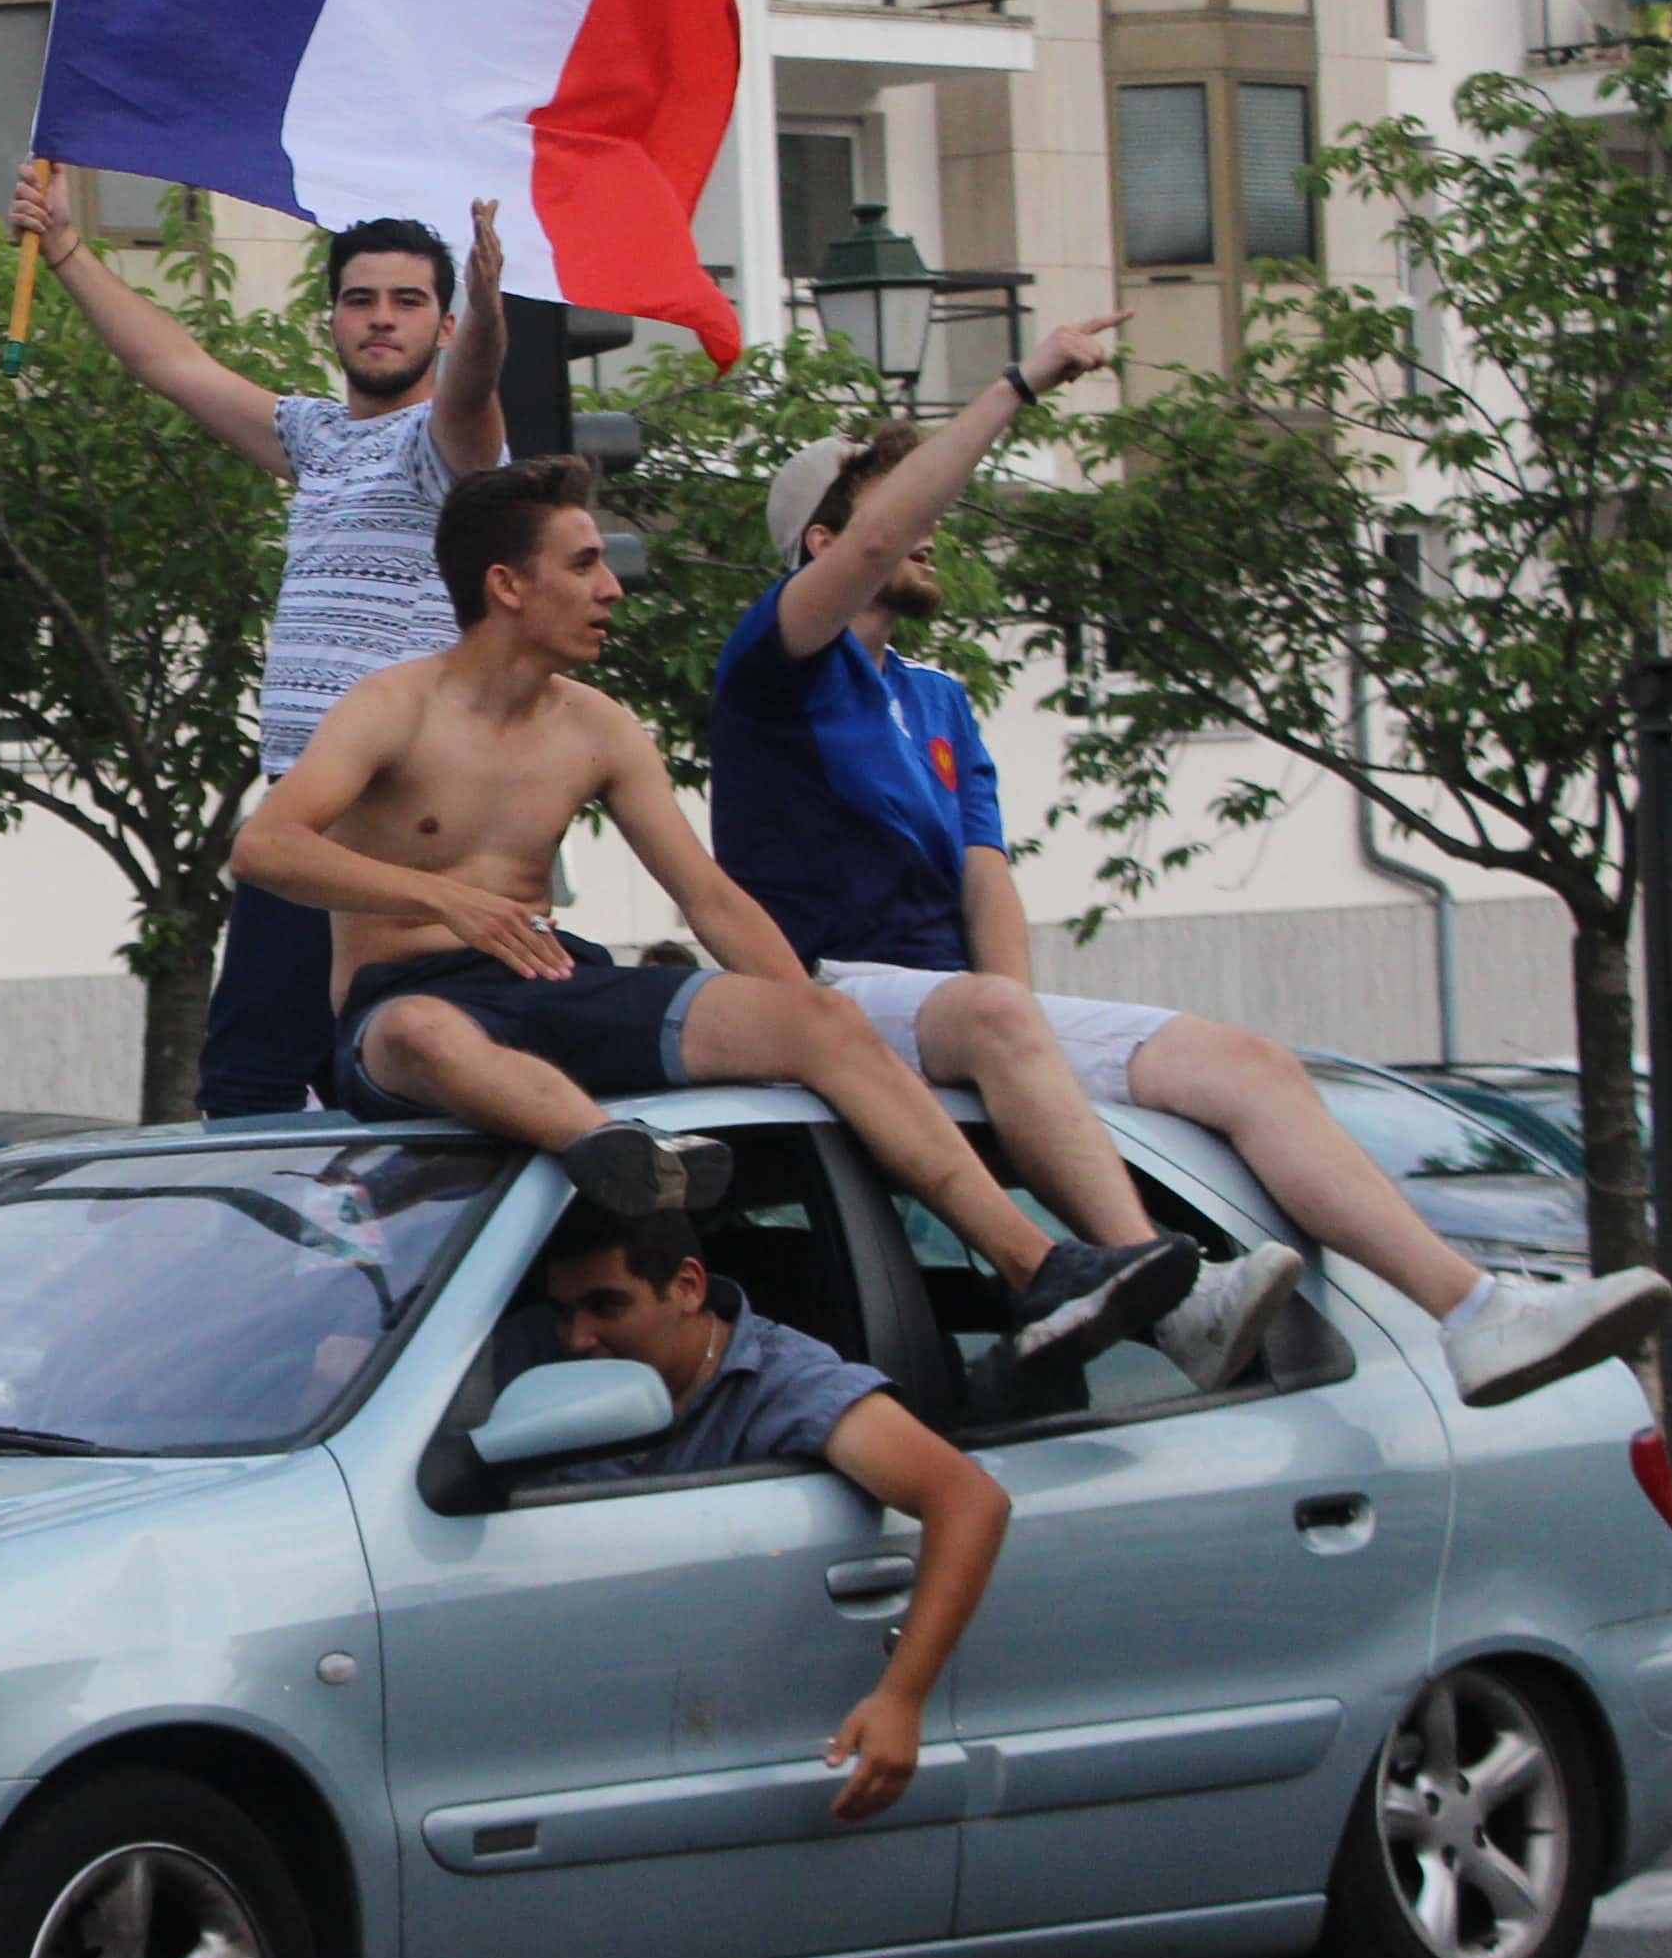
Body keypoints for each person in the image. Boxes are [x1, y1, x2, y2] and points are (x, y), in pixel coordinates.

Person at [713, 349, 1671, 1409]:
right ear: (822, 545)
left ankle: (1479, 1314)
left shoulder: (938, 698)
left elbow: (988, 882)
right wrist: (1017, 385)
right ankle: (1165, 1294)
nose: (931, 524)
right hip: (825, 996)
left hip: (959, 1009)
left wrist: (1029, 1034)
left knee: (1245, 1062)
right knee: (992, 1012)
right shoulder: (774, 659)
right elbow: (886, 532)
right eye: (895, 502)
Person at [235, 455, 1197, 1376]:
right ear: (508, 586)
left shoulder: (600, 725)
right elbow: (267, 848)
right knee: (421, 1033)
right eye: (584, 563)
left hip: (555, 980)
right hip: (408, 1000)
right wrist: (444, 898)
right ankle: (617, 1157)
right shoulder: (391, 704)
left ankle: (1043, 1271)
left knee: (818, 1019)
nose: (612, 587)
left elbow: (708, 896)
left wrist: (816, 1022)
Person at [15, 163, 513, 1116]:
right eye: (359, 299)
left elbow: (475, 393)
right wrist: (70, 248)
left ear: (442, 326)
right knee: (272, 1080)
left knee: (329, 1077)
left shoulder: (448, 449)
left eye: (409, 302)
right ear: (330, 318)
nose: (380, 318)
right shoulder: (318, 438)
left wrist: (490, 308)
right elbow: (174, 365)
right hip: (304, 810)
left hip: (393, 813)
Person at [526, 1199, 1005, 1823]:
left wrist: (901, 1698)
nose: (578, 1338)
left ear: (688, 1287)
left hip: (743, 1756)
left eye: (607, 1307)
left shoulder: (786, 1383)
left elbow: (967, 1499)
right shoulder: (550, 1360)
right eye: (563, 1313)